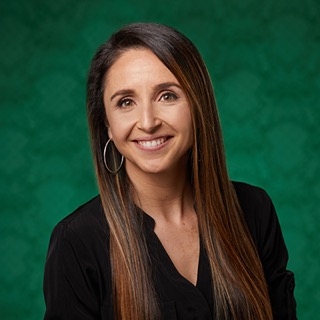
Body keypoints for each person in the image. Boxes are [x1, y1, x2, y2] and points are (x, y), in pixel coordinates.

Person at [43, 23, 297, 319]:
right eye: (126, 102)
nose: (148, 122)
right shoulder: (76, 241)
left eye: (167, 95)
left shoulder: (254, 210)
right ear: (107, 125)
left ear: (197, 105)